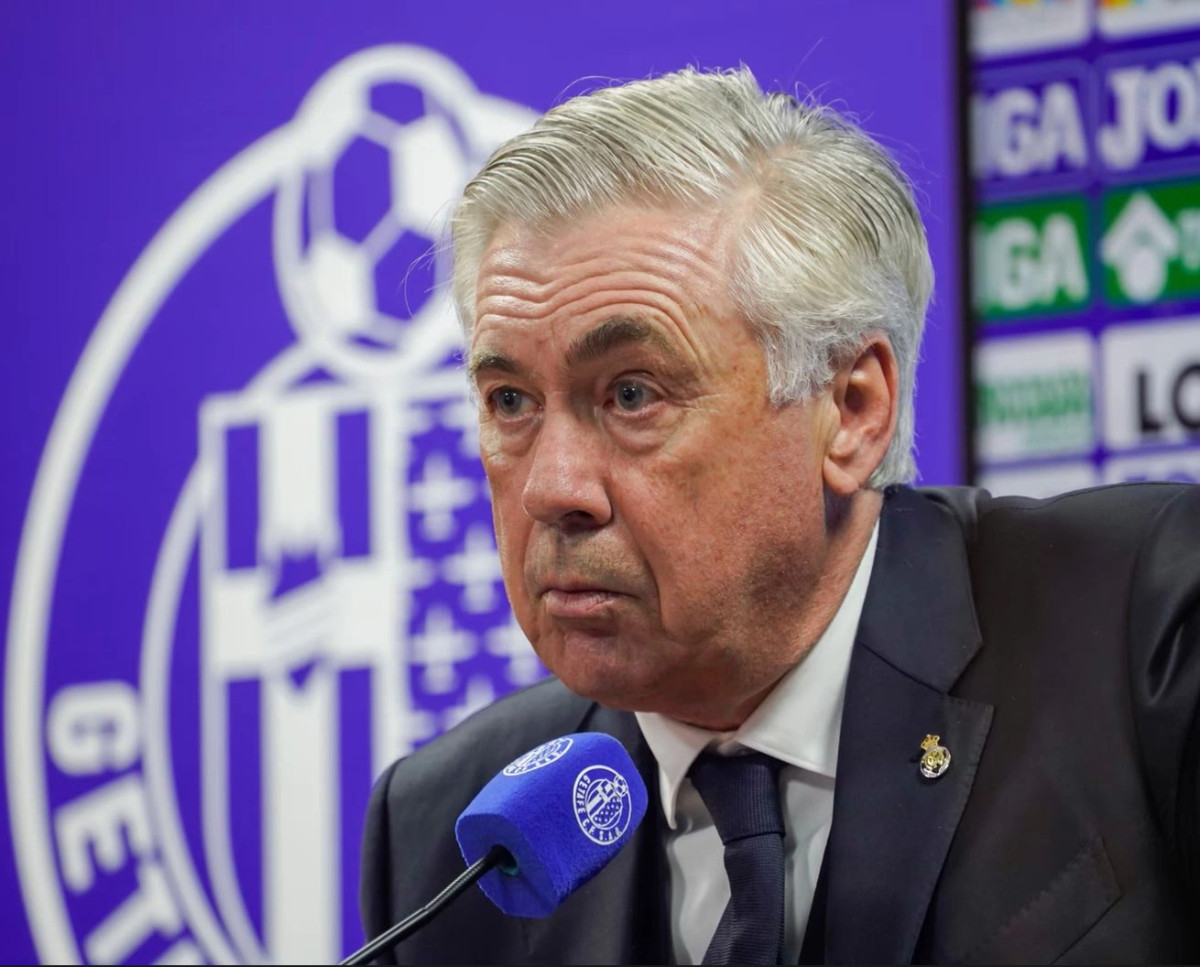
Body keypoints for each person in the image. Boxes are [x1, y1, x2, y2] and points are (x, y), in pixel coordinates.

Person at [359, 67, 1200, 964]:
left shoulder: (1143, 636)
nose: (551, 489)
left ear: (851, 410)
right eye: (510, 401)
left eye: (633, 393)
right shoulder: (451, 841)